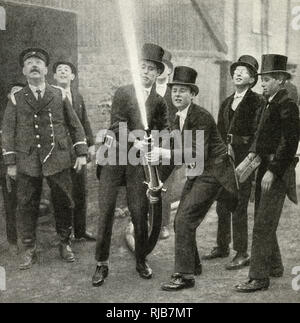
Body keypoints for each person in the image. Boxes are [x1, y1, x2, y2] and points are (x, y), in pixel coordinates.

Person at [146, 66, 238, 291]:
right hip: (199, 172)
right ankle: (193, 265)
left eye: (183, 91)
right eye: (174, 90)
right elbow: (173, 158)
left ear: (193, 94)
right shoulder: (178, 119)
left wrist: (163, 153)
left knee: (184, 219)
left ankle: (185, 276)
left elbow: (196, 154)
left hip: (214, 174)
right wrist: (155, 182)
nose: (177, 95)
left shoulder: (201, 116)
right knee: (183, 220)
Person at [2, 48, 88, 270]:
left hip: (58, 158)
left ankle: (64, 242)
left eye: (38, 62)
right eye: (29, 62)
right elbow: (8, 130)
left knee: (63, 201)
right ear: (23, 70)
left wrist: (81, 153)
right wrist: (10, 162)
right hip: (27, 160)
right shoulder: (16, 98)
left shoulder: (58, 94)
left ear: (46, 69)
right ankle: (29, 248)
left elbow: (75, 125)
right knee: (26, 205)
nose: (34, 66)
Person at [92, 43, 169, 287]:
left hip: (139, 164)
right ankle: (101, 263)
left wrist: (154, 143)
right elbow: (116, 125)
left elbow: (165, 130)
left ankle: (141, 259)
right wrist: (138, 141)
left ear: (158, 74)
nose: (145, 72)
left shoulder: (159, 102)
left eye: (151, 69)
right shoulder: (123, 93)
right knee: (105, 211)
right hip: (114, 157)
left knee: (139, 211)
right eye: (142, 67)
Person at [235, 54, 299, 292]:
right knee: (264, 218)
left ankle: (258, 278)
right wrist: (253, 155)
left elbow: (290, 142)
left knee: (262, 223)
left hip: (277, 171)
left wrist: (273, 171)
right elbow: (261, 136)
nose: (261, 83)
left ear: (281, 80)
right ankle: (274, 265)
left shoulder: (287, 104)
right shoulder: (269, 102)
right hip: (264, 167)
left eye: (267, 79)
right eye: (262, 79)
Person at [203, 55, 265, 270]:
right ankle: (222, 245)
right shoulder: (227, 101)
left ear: (252, 78)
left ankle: (242, 251)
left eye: (244, 71)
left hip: (245, 159)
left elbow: (259, 133)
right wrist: (219, 151)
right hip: (225, 159)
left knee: (239, 204)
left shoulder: (258, 101)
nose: (238, 73)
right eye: (236, 70)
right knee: (222, 203)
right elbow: (219, 132)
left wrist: (249, 154)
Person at [53, 60, 96, 241]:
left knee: (80, 190)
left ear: (72, 76)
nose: (63, 72)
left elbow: (84, 122)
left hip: (78, 152)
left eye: (67, 70)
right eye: (59, 70)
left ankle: (80, 231)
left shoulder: (77, 96)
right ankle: (64, 235)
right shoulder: (51, 96)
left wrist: (91, 145)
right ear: (54, 76)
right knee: (62, 193)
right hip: (59, 152)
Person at [0, 83, 24, 255]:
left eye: (20, 92)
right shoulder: (4, 115)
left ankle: (26, 240)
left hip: (25, 167)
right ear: (9, 96)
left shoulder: (28, 115)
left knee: (25, 204)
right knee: (10, 205)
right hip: (6, 167)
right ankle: (12, 241)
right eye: (14, 92)